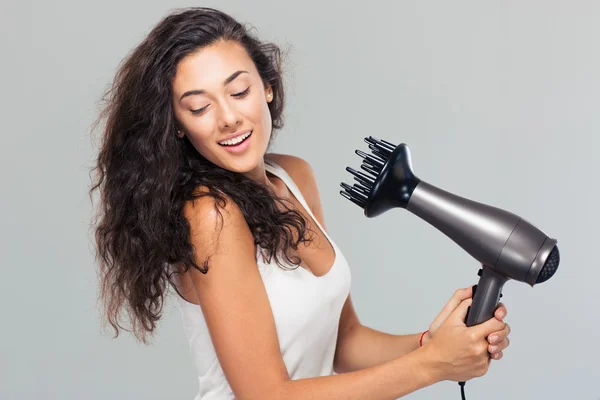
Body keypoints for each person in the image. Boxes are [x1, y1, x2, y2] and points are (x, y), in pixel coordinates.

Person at [89, 7, 511, 399]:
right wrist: (432, 365)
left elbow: (344, 343)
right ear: (178, 127)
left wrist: (434, 343)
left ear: (267, 88)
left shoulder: (293, 176)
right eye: (199, 107)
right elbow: (266, 394)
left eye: (238, 91)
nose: (228, 117)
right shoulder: (211, 215)